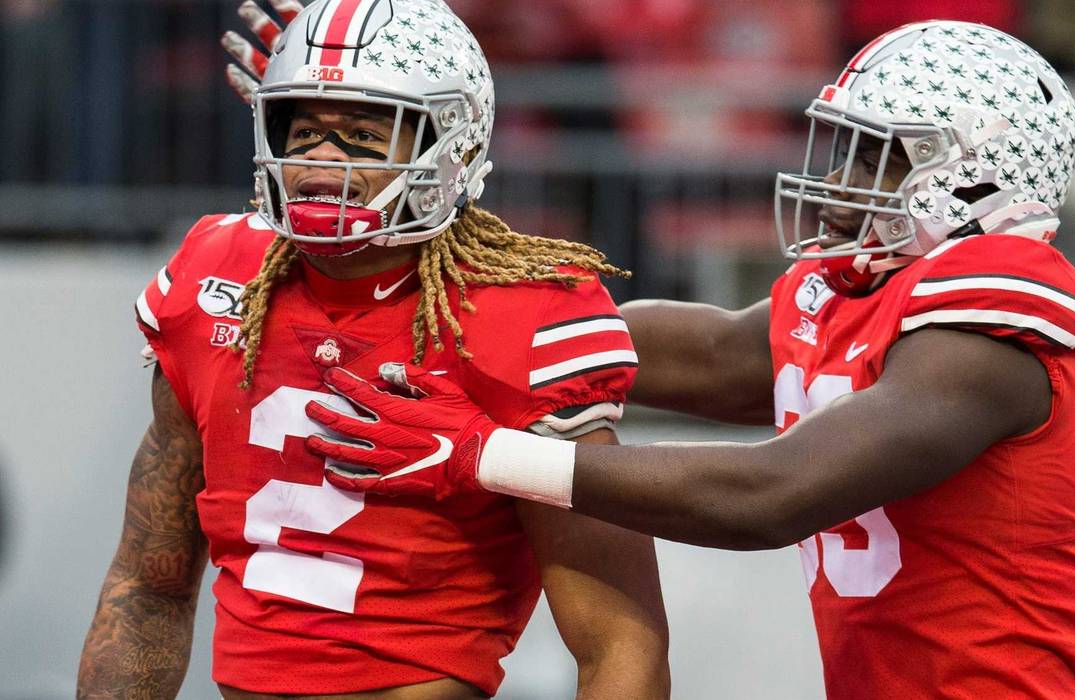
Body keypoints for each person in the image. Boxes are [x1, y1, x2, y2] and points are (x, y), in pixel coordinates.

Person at [304, 21, 1075, 698]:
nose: (838, 183)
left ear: (975, 178)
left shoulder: (1003, 295)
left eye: (879, 158)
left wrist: (486, 456)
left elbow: (767, 496)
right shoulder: (859, 293)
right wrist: (383, 187)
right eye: (845, 150)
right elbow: (676, 347)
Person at [77, 1, 670, 698]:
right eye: (303, 132)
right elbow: (149, 585)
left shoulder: (524, 313)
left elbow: (618, 642)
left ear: (452, 145)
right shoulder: (214, 274)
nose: (322, 161)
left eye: (362, 135)